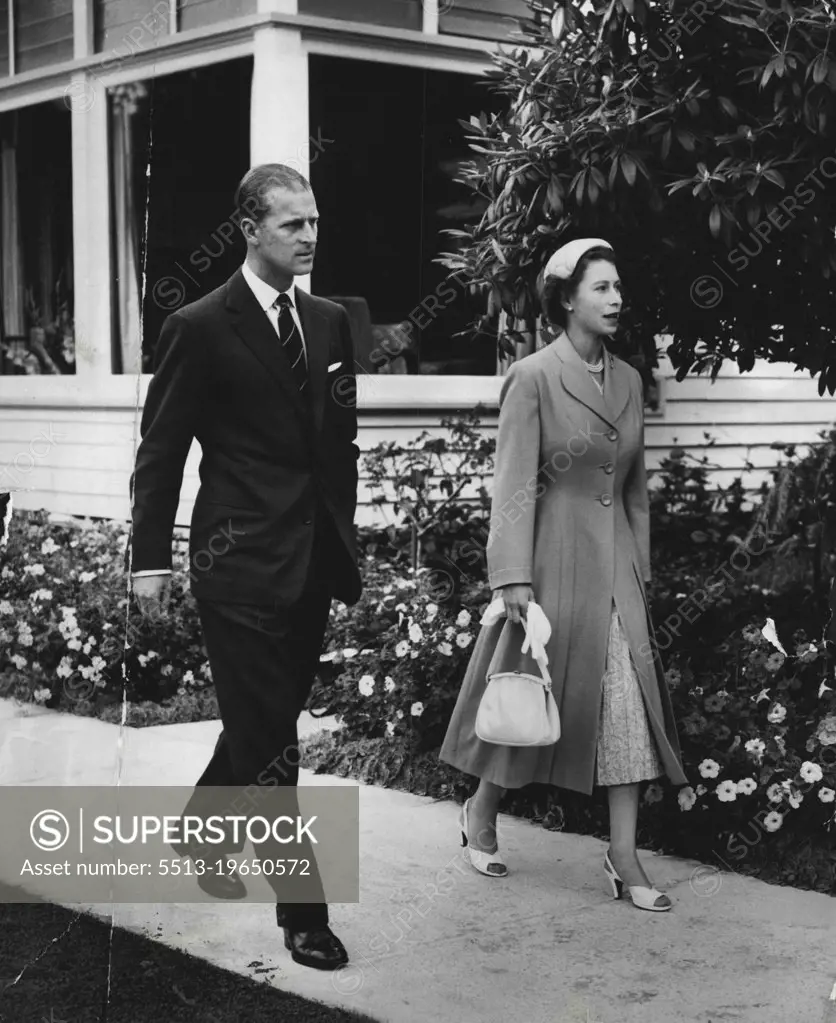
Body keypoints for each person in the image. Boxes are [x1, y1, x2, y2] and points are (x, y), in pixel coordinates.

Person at [127, 163, 361, 968]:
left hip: (311, 564)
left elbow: (340, 443)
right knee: (273, 747)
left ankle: (200, 829)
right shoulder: (199, 326)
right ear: (250, 229)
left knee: (264, 723)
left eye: (316, 221)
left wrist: (344, 532)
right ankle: (303, 913)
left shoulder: (329, 321)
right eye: (293, 224)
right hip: (236, 567)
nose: (309, 236)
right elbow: (160, 454)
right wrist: (147, 560)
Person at [440, 238, 687, 912]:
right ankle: (480, 810)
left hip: (614, 568)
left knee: (629, 705)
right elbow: (512, 483)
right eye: (602, 287)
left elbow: (633, 490)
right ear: (567, 298)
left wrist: (639, 568)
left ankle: (623, 853)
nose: (616, 298)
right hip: (548, 564)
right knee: (528, 702)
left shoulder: (632, 380)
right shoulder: (533, 375)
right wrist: (510, 576)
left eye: (618, 287)